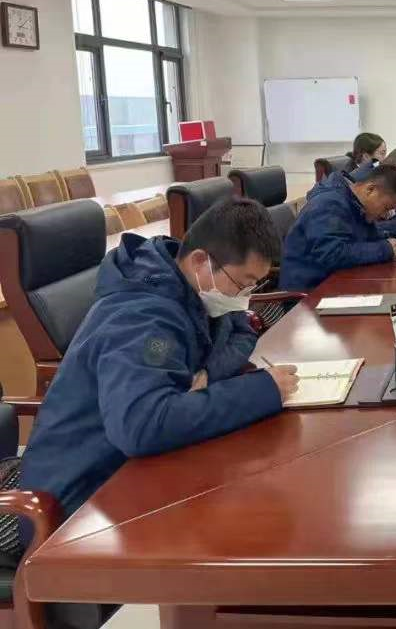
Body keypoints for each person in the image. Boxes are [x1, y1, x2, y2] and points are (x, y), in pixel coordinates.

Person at [19, 199, 300, 536]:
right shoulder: (143, 319)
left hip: (137, 468)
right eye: (243, 283)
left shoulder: (195, 287)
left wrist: (206, 374)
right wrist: (263, 390)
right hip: (77, 501)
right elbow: (142, 426)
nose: (245, 297)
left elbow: (242, 331)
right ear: (200, 261)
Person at [280, 163, 396, 291]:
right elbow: (332, 254)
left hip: (335, 282)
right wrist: (385, 248)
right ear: (370, 190)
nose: (385, 215)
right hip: (309, 293)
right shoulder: (329, 204)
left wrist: (391, 241)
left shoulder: (355, 204)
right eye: (386, 208)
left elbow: (364, 236)